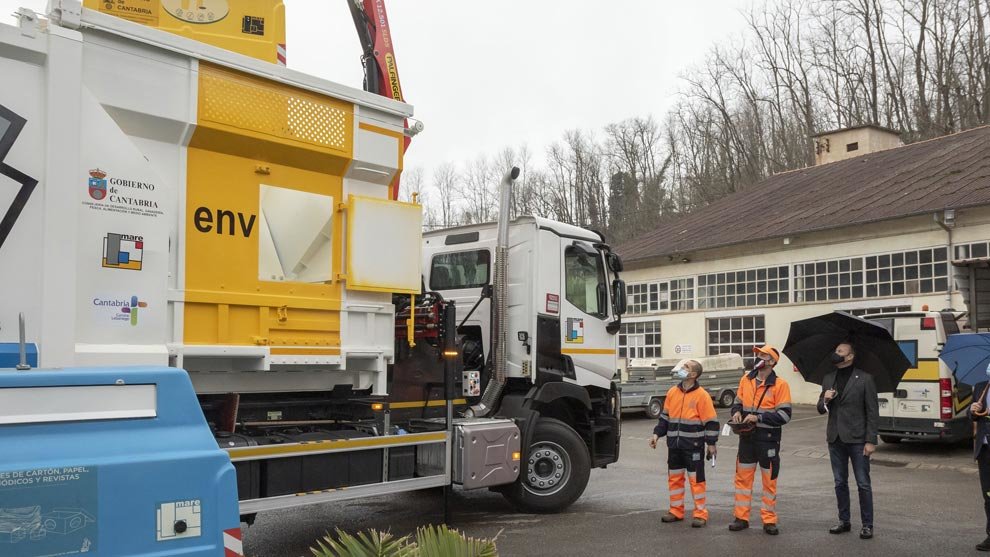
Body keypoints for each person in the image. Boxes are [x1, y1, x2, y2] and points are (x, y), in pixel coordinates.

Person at [816, 341, 878, 540]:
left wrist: (871, 440)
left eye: (840, 351)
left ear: (850, 356)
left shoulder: (865, 379)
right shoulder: (828, 378)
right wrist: (824, 399)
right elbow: (820, 408)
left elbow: (872, 412)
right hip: (835, 438)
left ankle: (867, 525)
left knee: (863, 483)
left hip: (858, 439)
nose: (836, 353)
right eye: (835, 350)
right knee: (839, 482)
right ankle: (844, 521)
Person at [728, 345, 792, 535]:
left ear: (772, 362)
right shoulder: (745, 380)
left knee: (769, 482)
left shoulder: (781, 385)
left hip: (769, 440)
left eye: (763, 355)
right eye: (758, 355)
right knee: (742, 480)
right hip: (747, 438)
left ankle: (769, 520)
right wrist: (737, 412)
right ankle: (741, 517)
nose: (758, 357)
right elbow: (737, 403)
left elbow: (785, 415)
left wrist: (760, 418)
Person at [650, 359, 719, 528]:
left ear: (693, 374)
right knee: (675, 480)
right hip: (674, 446)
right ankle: (676, 511)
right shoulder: (673, 392)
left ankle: (700, 514)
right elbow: (665, 417)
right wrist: (656, 434)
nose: (681, 369)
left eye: (685, 367)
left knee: (697, 481)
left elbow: (711, 422)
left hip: (693, 446)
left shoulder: (702, 395)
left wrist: (711, 444)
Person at [969, 369, 990, 551]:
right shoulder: (982, 385)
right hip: (984, 449)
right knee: (988, 495)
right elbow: (974, 416)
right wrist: (973, 410)